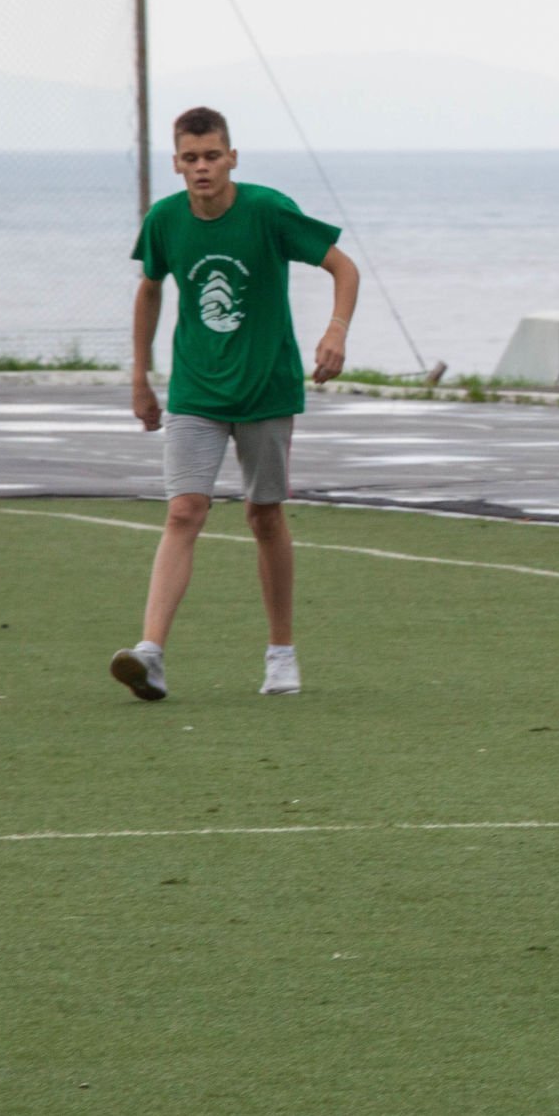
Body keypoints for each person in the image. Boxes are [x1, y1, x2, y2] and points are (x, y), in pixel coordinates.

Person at [110, 106, 360, 701]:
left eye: (212, 156)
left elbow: (343, 267)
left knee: (264, 516)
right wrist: (140, 377)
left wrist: (336, 332)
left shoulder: (268, 210)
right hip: (195, 389)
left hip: (266, 388)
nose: (202, 167)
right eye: (191, 158)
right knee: (184, 511)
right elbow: (150, 289)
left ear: (232, 158)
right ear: (177, 164)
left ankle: (281, 654)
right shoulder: (165, 220)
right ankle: (151, 654)